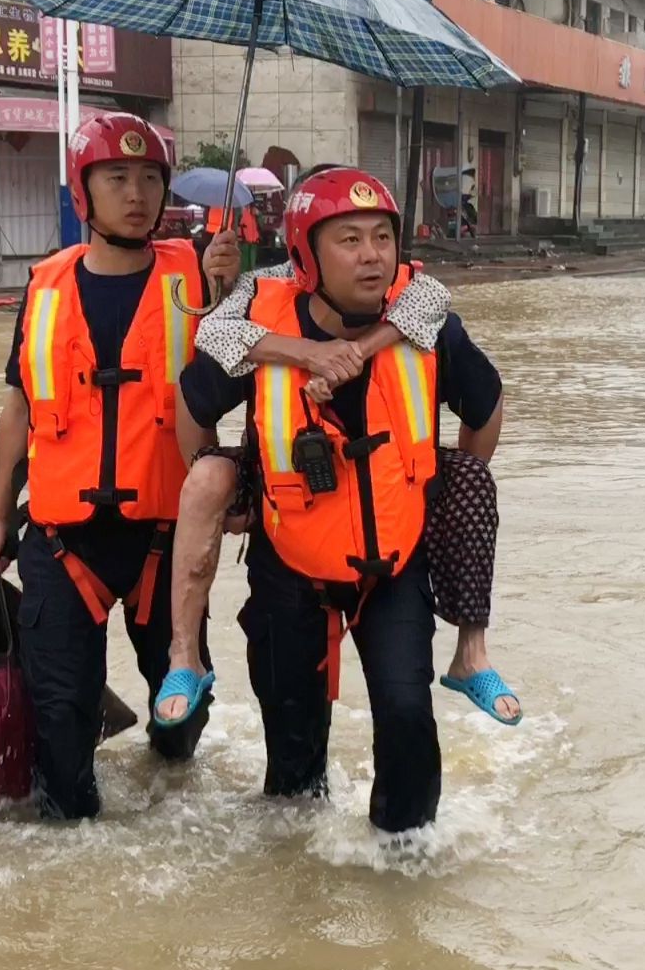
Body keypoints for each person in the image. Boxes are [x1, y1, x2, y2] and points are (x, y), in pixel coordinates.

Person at [172, 168, 506, 834]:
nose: (371, 254)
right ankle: (300, 884)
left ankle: (403, 863)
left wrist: (446, 484)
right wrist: (226, 484)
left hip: (393, 563)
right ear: (304, 255)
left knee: (408, 717)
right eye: (348, 239)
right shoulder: (255, 327)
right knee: (292, 766)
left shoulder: (429, 319)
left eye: (382, 236)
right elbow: (193, 404)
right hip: (287, 563)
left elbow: (485, 405)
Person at [0, 111, 240, 820]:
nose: (137, 193)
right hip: (63, 540)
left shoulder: (200, 274)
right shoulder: (44, 286)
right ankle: (74, 864)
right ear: (81, 191)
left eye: (150, 178)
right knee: (58, 721)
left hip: (167, 538)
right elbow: (19, 407)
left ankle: (166, 792)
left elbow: (246, 364)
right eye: (117, 177)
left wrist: (226, 294)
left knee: (182, 714)